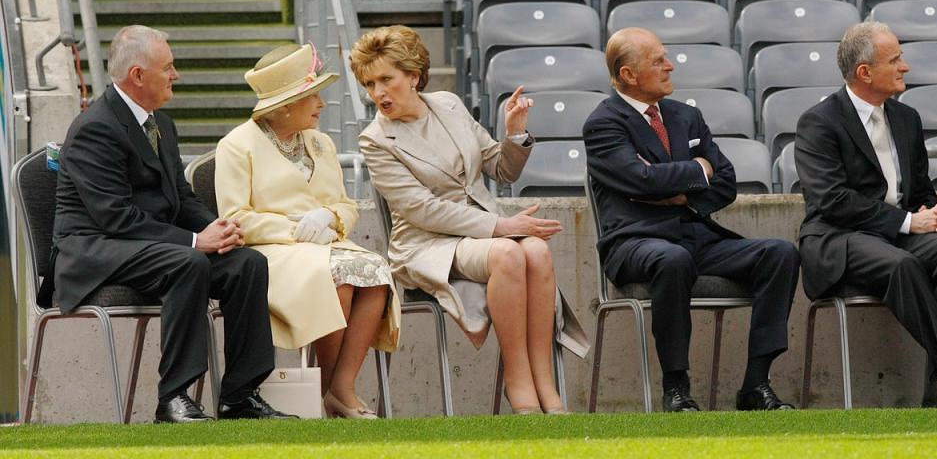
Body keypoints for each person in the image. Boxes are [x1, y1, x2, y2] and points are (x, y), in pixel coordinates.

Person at [52, 25, 293, 423]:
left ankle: (240, 396)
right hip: (94, 249)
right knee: (188, 261)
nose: (176, 75)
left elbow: (180, 198)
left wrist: (221, 229)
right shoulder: (95, 128)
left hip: (148, 245)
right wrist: (197, 241)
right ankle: (174, 398)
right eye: (169, 67)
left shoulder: (160, 122)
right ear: (138, 76)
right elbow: (114, 217)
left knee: (247, 263)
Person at [353, 25, 588, 415]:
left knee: (537, 252)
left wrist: (515, 134)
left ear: (413, 75)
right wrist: (502, 226)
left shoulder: (447, 104)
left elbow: (501, 169)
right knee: (510, 255)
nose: (377, 93)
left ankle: (544, 380)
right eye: (369, 83)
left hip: (481, 232)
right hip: (426, 244)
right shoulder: (375, 139)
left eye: (385, 80)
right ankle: (518, 380)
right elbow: (421, 209)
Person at [583, 27, 800, 412]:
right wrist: (698, 171)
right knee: (672, 259)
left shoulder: (686, 116)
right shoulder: (604, 123)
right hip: (635, 241)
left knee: (780, 253)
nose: (670, 66)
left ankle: (755, 384)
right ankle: (676, 389)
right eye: (658, 61)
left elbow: (727, 182)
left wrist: (679, 191)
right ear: (629, 75)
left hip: (695, 233)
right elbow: (640, 179)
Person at [215, 43, 401, 419]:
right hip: (272, 252)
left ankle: (339, 388)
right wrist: (296, 229)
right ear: (285, 104)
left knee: (378, 273)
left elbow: (345, 204)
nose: (322, 104)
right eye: (313, 95)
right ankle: (337, 394)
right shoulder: (236, 145)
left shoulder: (321, 142)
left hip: (327, 245)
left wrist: (330, 219)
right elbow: (234, 218)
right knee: (339, 278)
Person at [795, 21, 937, 408]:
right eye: (896, 59)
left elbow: (919, 190)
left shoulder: (907, 119)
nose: (906, 67)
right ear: (864, 72)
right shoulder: (818, 122)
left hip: (893, 234)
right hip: (835, 238)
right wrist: (907, 222)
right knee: (902, 265)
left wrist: (933, 214)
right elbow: (832, 200)